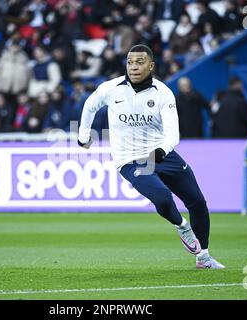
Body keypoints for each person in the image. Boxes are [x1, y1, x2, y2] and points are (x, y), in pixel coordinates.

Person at [77, 44, 224, 269]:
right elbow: (90, 105)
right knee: (163, 198)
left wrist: (160, 152)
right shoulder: (111, 88)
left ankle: (203, 257)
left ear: (151, 65)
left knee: (198, 202)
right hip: (130, 159)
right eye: (130, 62)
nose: (134, 67)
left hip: (162, 154)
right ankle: (182, 227)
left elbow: (173, 133)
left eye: (140, 62)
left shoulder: (163, 92)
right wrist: (83, 135)